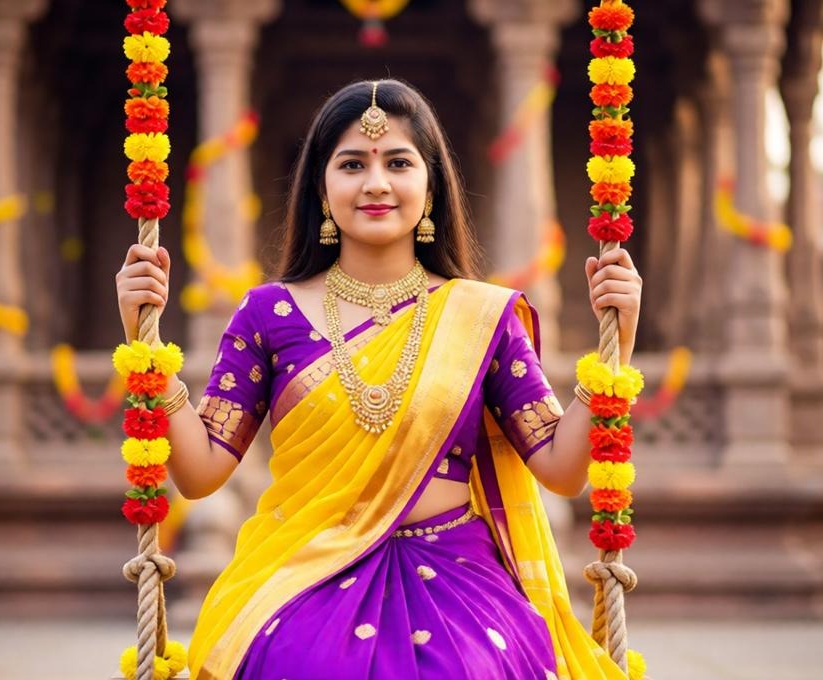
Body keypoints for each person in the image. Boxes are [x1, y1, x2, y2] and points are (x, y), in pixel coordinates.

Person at [115, 79, 642, 680]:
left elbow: (562, 467)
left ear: (430, 185)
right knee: (297, 663)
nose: (375, 183)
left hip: (460, 583)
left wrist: (615, 351)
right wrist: (146, 344)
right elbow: (201, 470)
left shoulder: (478, 316)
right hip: (304, 572)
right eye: (351, 164)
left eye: (398, 162)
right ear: (321, 186)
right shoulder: (268, 314)